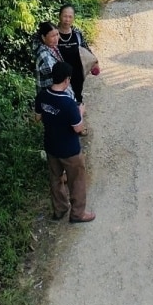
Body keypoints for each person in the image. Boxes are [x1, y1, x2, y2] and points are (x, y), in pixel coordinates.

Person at [38, 61, 93, 223]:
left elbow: (37, 117)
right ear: (67, 80)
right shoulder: (68, 104)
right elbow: (78, 128)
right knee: (76, 181)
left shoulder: (42, 95)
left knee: (55, 179)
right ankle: (78, 214)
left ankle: (60, 209)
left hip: (51, 147)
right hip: (70, 150)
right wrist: (80, 112)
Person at [56, 4, 96, 102]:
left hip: (76, 72)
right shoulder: (54, 34)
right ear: (59, 16)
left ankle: (78, 113)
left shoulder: (77, 34)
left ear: (73, 18)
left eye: (70, 17)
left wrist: (95, 62)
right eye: (65, 16)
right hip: (59, 74)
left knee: (77, 95)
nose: (67, 20)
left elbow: (85, 48)